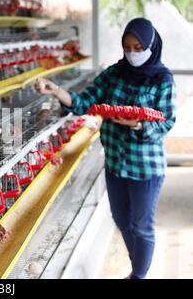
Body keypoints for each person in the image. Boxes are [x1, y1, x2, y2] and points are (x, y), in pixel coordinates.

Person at [35, 18, 176, 279]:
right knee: (121, 220)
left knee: (141, 225)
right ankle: (138, 267)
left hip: (145, 166)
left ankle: (139, 275)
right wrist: (56, 90)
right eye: (127, 47)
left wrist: (136, 124)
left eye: (138, 46)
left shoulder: (161, 79)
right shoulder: (114, 73)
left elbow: (166, 122)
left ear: (151, 45)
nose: (133, 52)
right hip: (115, 163)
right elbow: (83, 102)